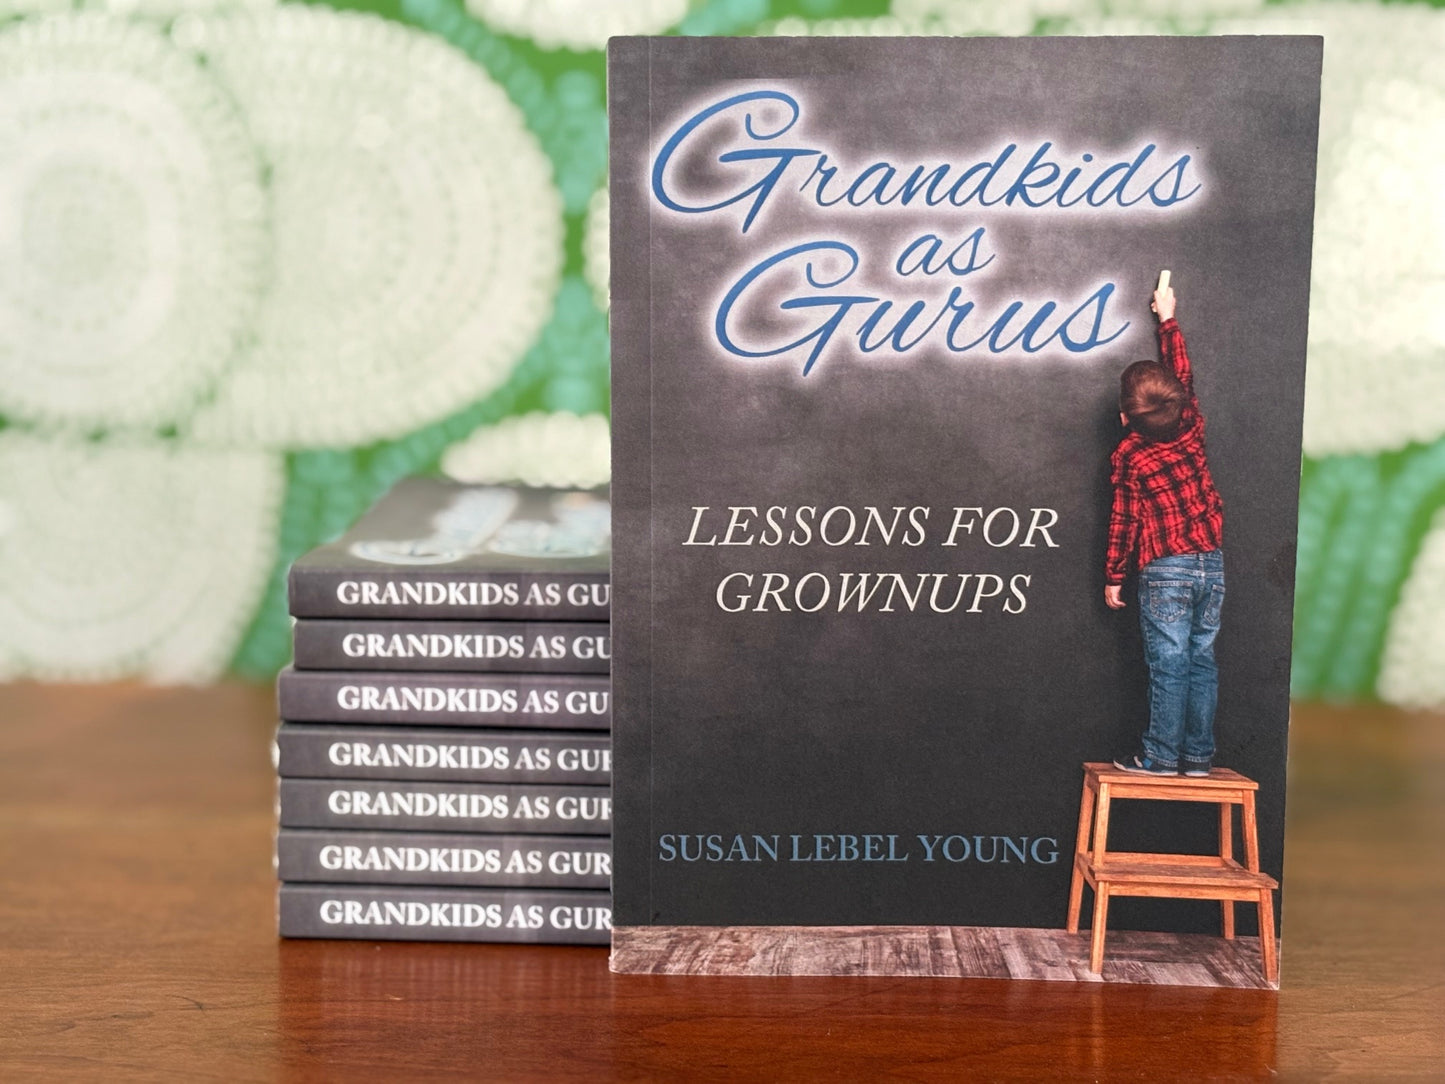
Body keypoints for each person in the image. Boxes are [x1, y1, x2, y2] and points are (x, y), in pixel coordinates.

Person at [1104, 282, 1225, 777]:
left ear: (1124, 417)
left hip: (1165, 569)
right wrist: (1167, 317)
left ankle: (1158, 756)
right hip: (1211, 565)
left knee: (1168, 665)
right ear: (1178, 403)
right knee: (1202, 660)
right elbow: (1184, 375)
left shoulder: (1130, 453)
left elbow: (1125, 519)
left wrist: (1114, 575)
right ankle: (1197, 758)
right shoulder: (1192, 424)